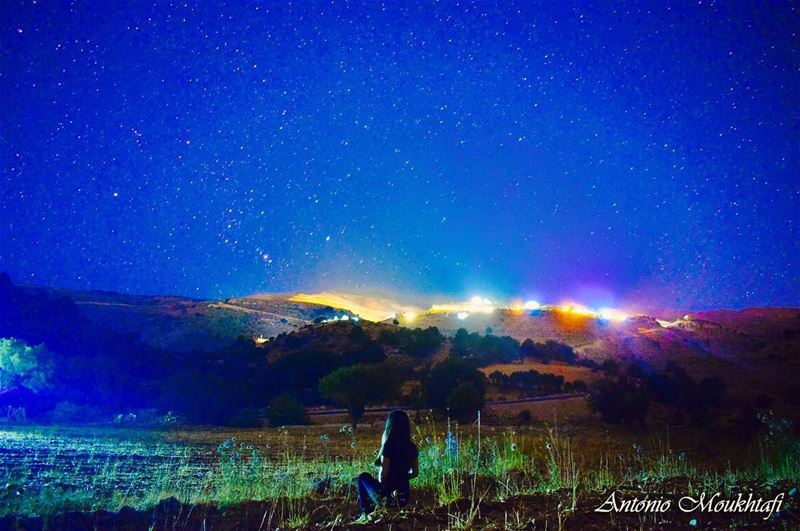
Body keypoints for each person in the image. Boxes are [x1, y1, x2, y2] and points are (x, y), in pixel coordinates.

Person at [355, 409, 419, 522]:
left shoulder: (389, 445)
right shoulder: (412, 447)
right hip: (404, 497)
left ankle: (366, 514)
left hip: (388, 497)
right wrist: (402, 477)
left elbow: (382, 478)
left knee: (362, 477)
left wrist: (384, 473)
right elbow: (415, 473)